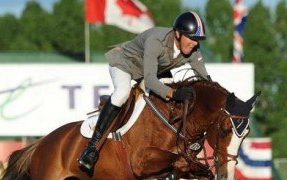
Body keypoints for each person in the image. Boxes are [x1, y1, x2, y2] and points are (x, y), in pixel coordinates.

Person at [78, 11, 212, 171]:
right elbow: (149, 80)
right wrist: (174, 94)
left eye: (198, 40)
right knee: (122, 93)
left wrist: (219, 97)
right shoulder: (157, 41)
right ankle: (92, 147)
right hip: (125, 64)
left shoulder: (193, 51)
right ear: (178, 34)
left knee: (171, 92)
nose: (195, 44)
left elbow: (205, 79)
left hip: (152, 70)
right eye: (192, 38)